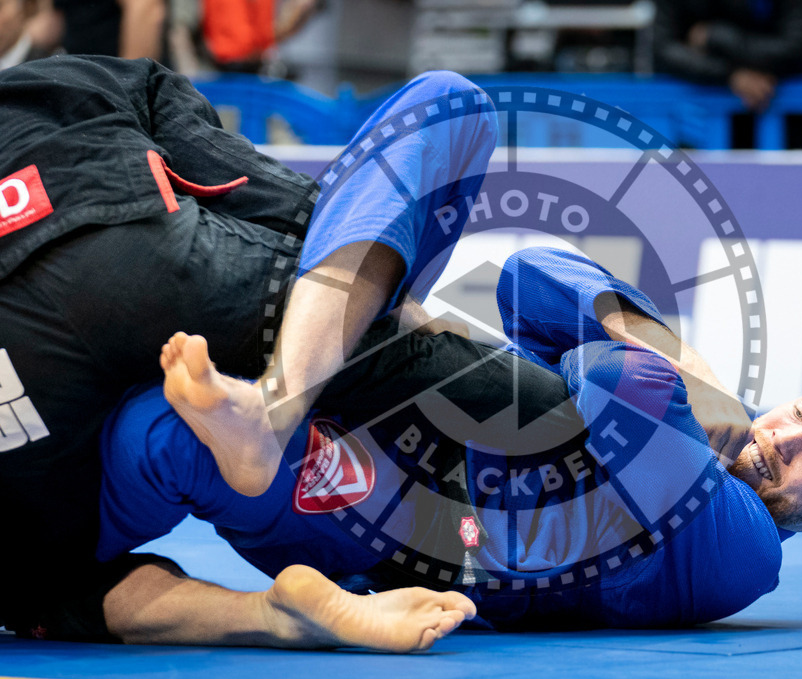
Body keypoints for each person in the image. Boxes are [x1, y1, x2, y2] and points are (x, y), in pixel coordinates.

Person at [96, 246, 802, 637]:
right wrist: (677, 355)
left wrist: (671, 362)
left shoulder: (745, 552)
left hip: (386, 514)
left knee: (165, 437)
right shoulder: (708, 422)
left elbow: (615, 387)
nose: (787, 436)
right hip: (402, 427)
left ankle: (49, 560)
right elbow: (528, 274)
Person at [0, 54, 495, 644]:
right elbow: (288, 212)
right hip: (421, 499)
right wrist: (397, 309)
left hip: (58, 523)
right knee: (446, 102)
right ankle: (279, 410)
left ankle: (269, 613)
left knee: (161, 440)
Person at [653, 0, 802, 111]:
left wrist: (718, 37)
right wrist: (731, 75)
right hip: (697, 111)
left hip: (798, 111)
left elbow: (798, 46)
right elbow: (663, 48)